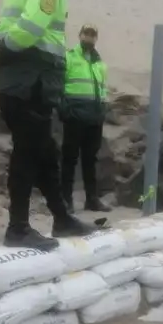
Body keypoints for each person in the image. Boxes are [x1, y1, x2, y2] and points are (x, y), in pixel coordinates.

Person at [0, 0, 97, 251]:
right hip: (31, 80)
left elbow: (1, 24)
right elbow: (32, 26)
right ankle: (17, 228)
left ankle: (62, 218)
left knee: (45, 151)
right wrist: (5, 50)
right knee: (28, 153)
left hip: (15, 80)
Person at [60, 24, 112, 212]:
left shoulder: (99, 63)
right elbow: (60, 83)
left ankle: (92, 199)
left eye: (93, 35)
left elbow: (101, 89)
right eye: (86, 34)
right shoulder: (69, 56)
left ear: (96, 38)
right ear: (80, 35)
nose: (89, 38)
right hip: (74, 115)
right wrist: (64, 109)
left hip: (94, 117)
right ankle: (66, 199)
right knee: (69, 158)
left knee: (91, 159)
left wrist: (102, 110)